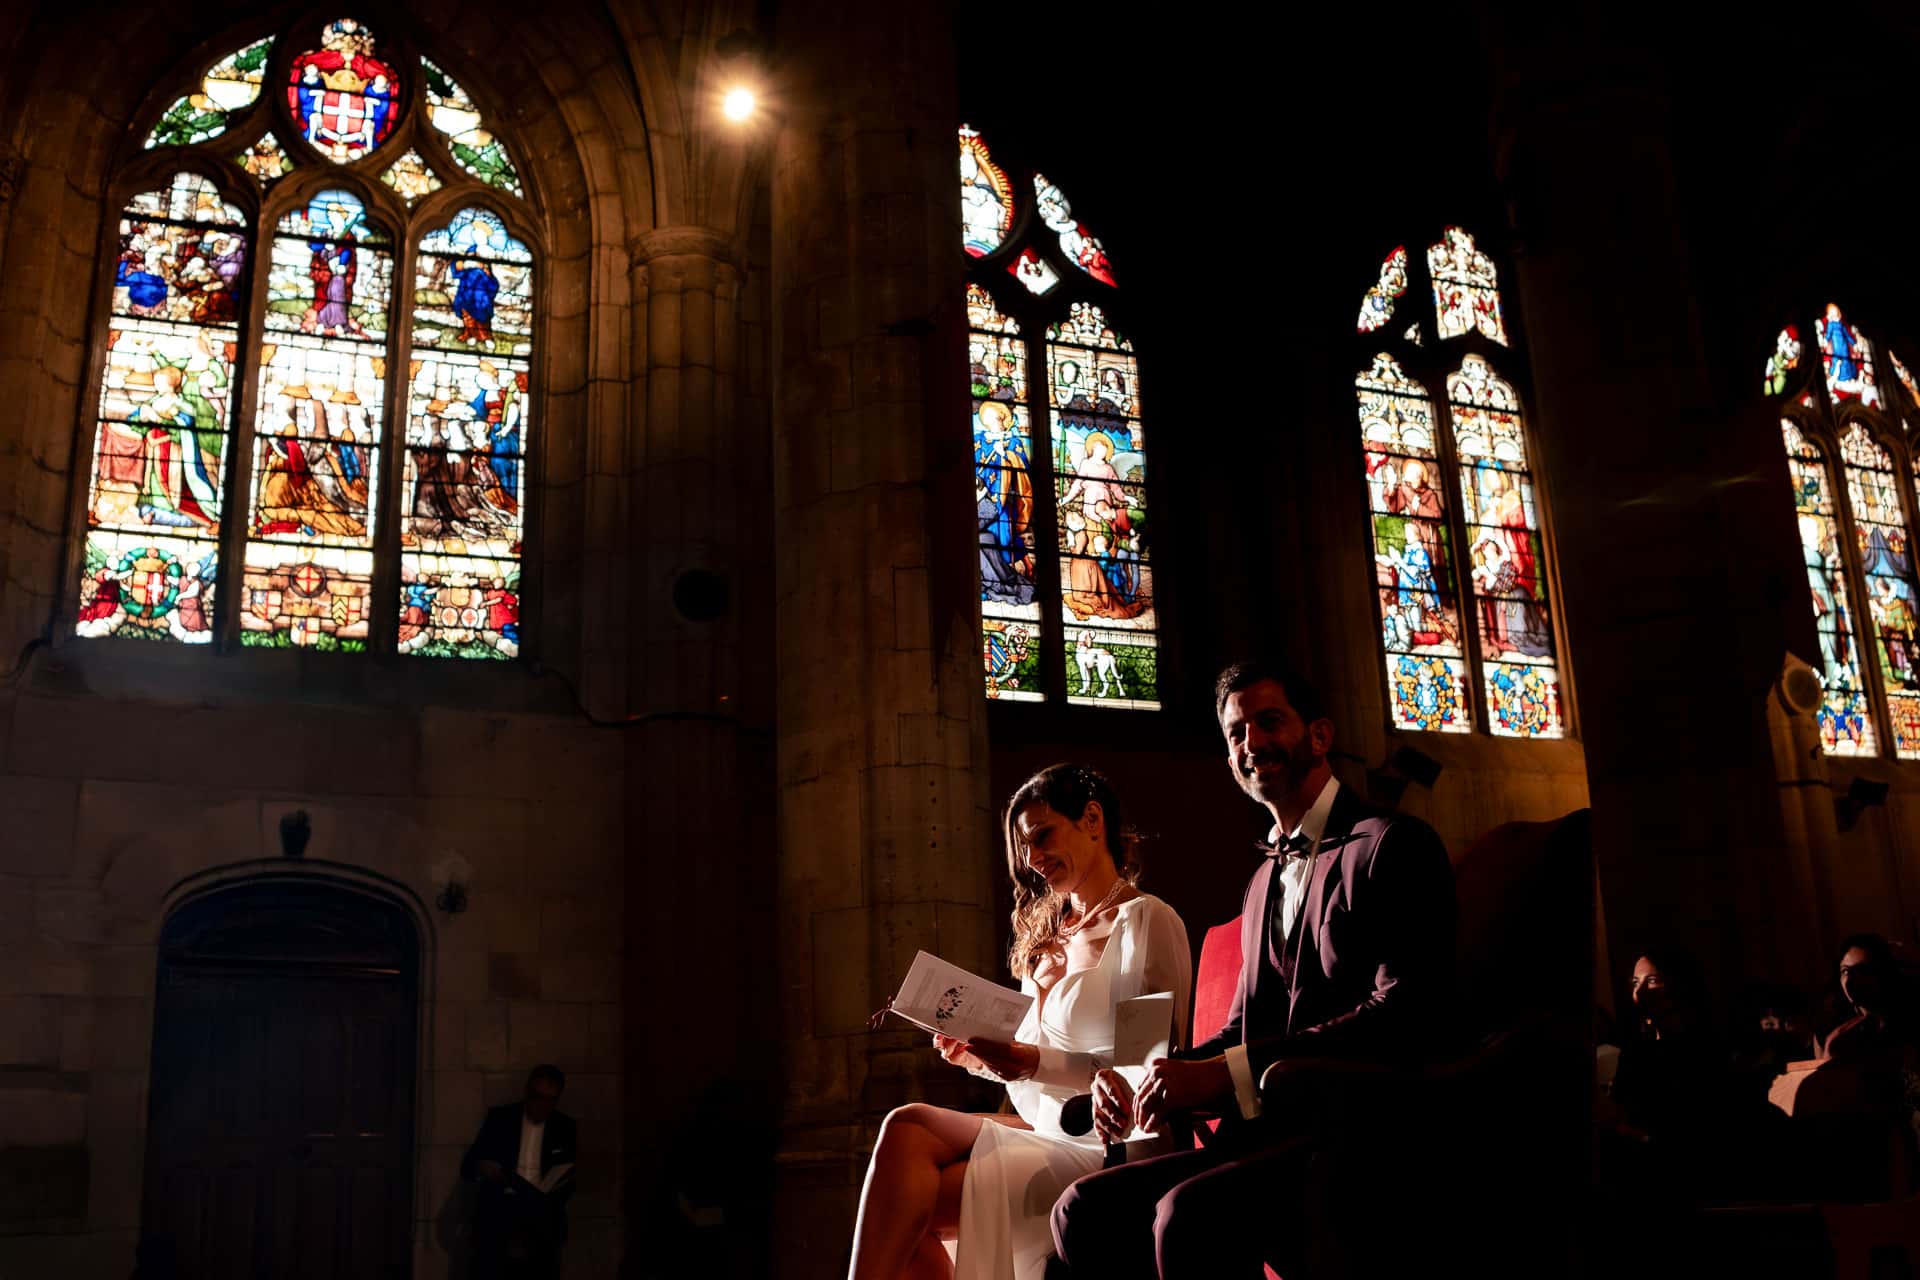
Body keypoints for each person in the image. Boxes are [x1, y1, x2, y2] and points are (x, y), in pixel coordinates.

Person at [1049, 658, 1455, 1279]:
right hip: (1273, 1134)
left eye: (1269, 722)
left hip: (1362, 1129)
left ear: (1319, 735)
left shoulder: (1393, 843)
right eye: (1236, 732)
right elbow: (1240, 1031)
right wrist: (1144, 1078)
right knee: (1084, 1209)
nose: (1252, 743)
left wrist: (1226, 1073)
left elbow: (1404, 1013)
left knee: (1187, 1215)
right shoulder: (1262, 880)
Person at [845, 765, 1191, 1280]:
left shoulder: (1145, 921)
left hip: (1111, 1142)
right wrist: (982, 1060)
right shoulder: (1045, 940)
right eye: (1023, 847)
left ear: (1092, 820)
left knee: (905, 1211)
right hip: (1042, 1126)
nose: (1031, 859)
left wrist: (1030, 1062)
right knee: (905, 1126)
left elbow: (1140, 1076)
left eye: (1042, 836)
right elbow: (1033, 1078)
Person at [461, 1064, 578, 1279]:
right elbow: (468, 1166)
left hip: (542, 1210)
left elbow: (568, 1180)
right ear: (526, 1092)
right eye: (537, 1097)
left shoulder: (565, 1127)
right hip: (502, 1203)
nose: (541, 1105)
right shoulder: (500, 1119)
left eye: (550, 1100)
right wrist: (483, 1167)